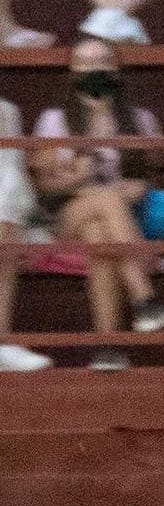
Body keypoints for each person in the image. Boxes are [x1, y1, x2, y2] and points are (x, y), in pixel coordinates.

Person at [31, 35, 164, 372]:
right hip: (69, 213)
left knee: (101, 237)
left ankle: (108, 347)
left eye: (101, 62)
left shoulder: (139, 119)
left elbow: (155, 175)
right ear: (72, 72)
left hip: (122, 220)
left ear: (115, 69)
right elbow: (45, 187)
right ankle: (145, 299)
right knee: (105, 199)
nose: (93, 69)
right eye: (85, 63)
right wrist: (79, 178)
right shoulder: (54, 120)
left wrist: (140, 186)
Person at [0, 96, 51, 371]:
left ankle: (2, 341)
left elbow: (13, 174)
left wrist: (16, 218)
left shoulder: (9, 110)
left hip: (7, 214)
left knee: (7, 233)